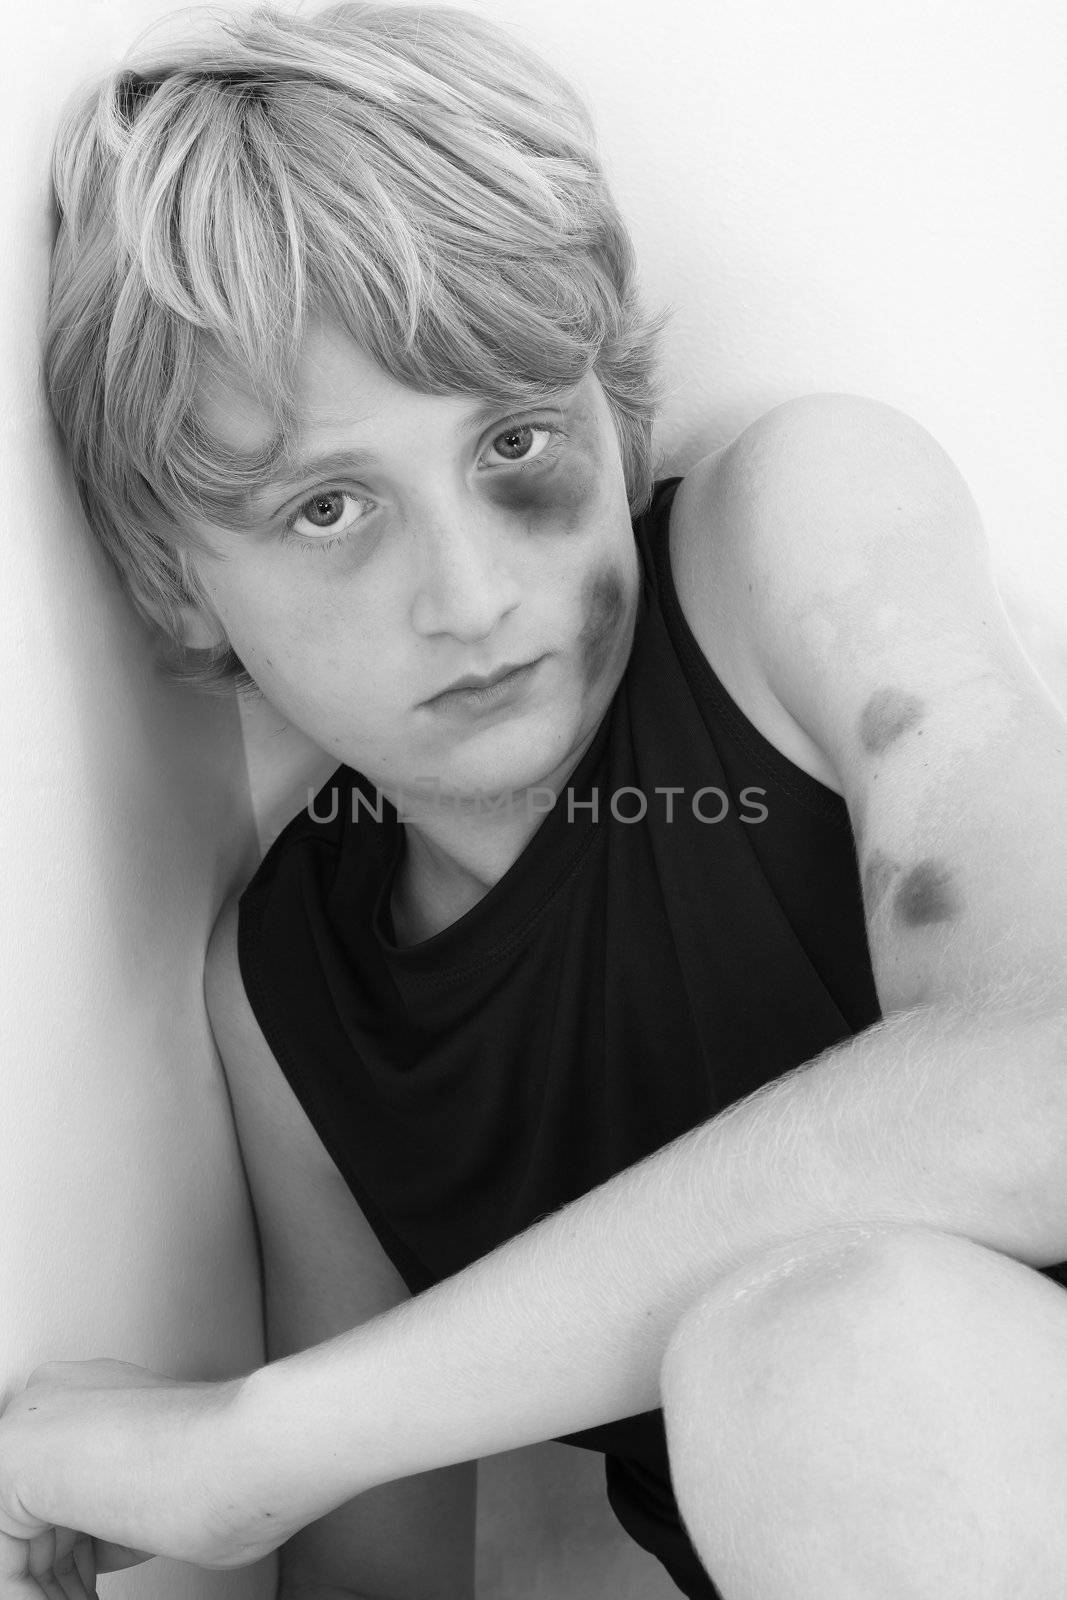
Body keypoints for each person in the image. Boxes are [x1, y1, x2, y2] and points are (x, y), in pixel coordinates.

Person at [2, 3, 1066, 1597]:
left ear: (614, 412)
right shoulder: (298, 994)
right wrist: (288, 1462)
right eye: (329, 508)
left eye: (514, 439)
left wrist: (253, 1446)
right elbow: (378, 1570)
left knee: (840, 1344)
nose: (471, 594)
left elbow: (1043, 1077)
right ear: (174, 582)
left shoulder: (791, 539)